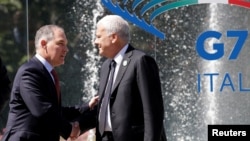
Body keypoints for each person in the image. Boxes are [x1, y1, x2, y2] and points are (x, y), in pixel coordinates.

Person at [1, 25, 98, 141]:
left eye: (66, 45)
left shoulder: (46, 73)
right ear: (44, 44)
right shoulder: (30, 71)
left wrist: (86, 107)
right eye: (61, 43)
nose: (66, 49)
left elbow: (54, 111)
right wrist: (70, 130)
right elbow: (42, 110)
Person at [94, 15, 165, 141]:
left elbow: (153, 111)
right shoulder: (106, 66)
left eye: (99, 36)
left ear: (114, 37)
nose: (95, 42)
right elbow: (104, 107)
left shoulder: (140, 61)